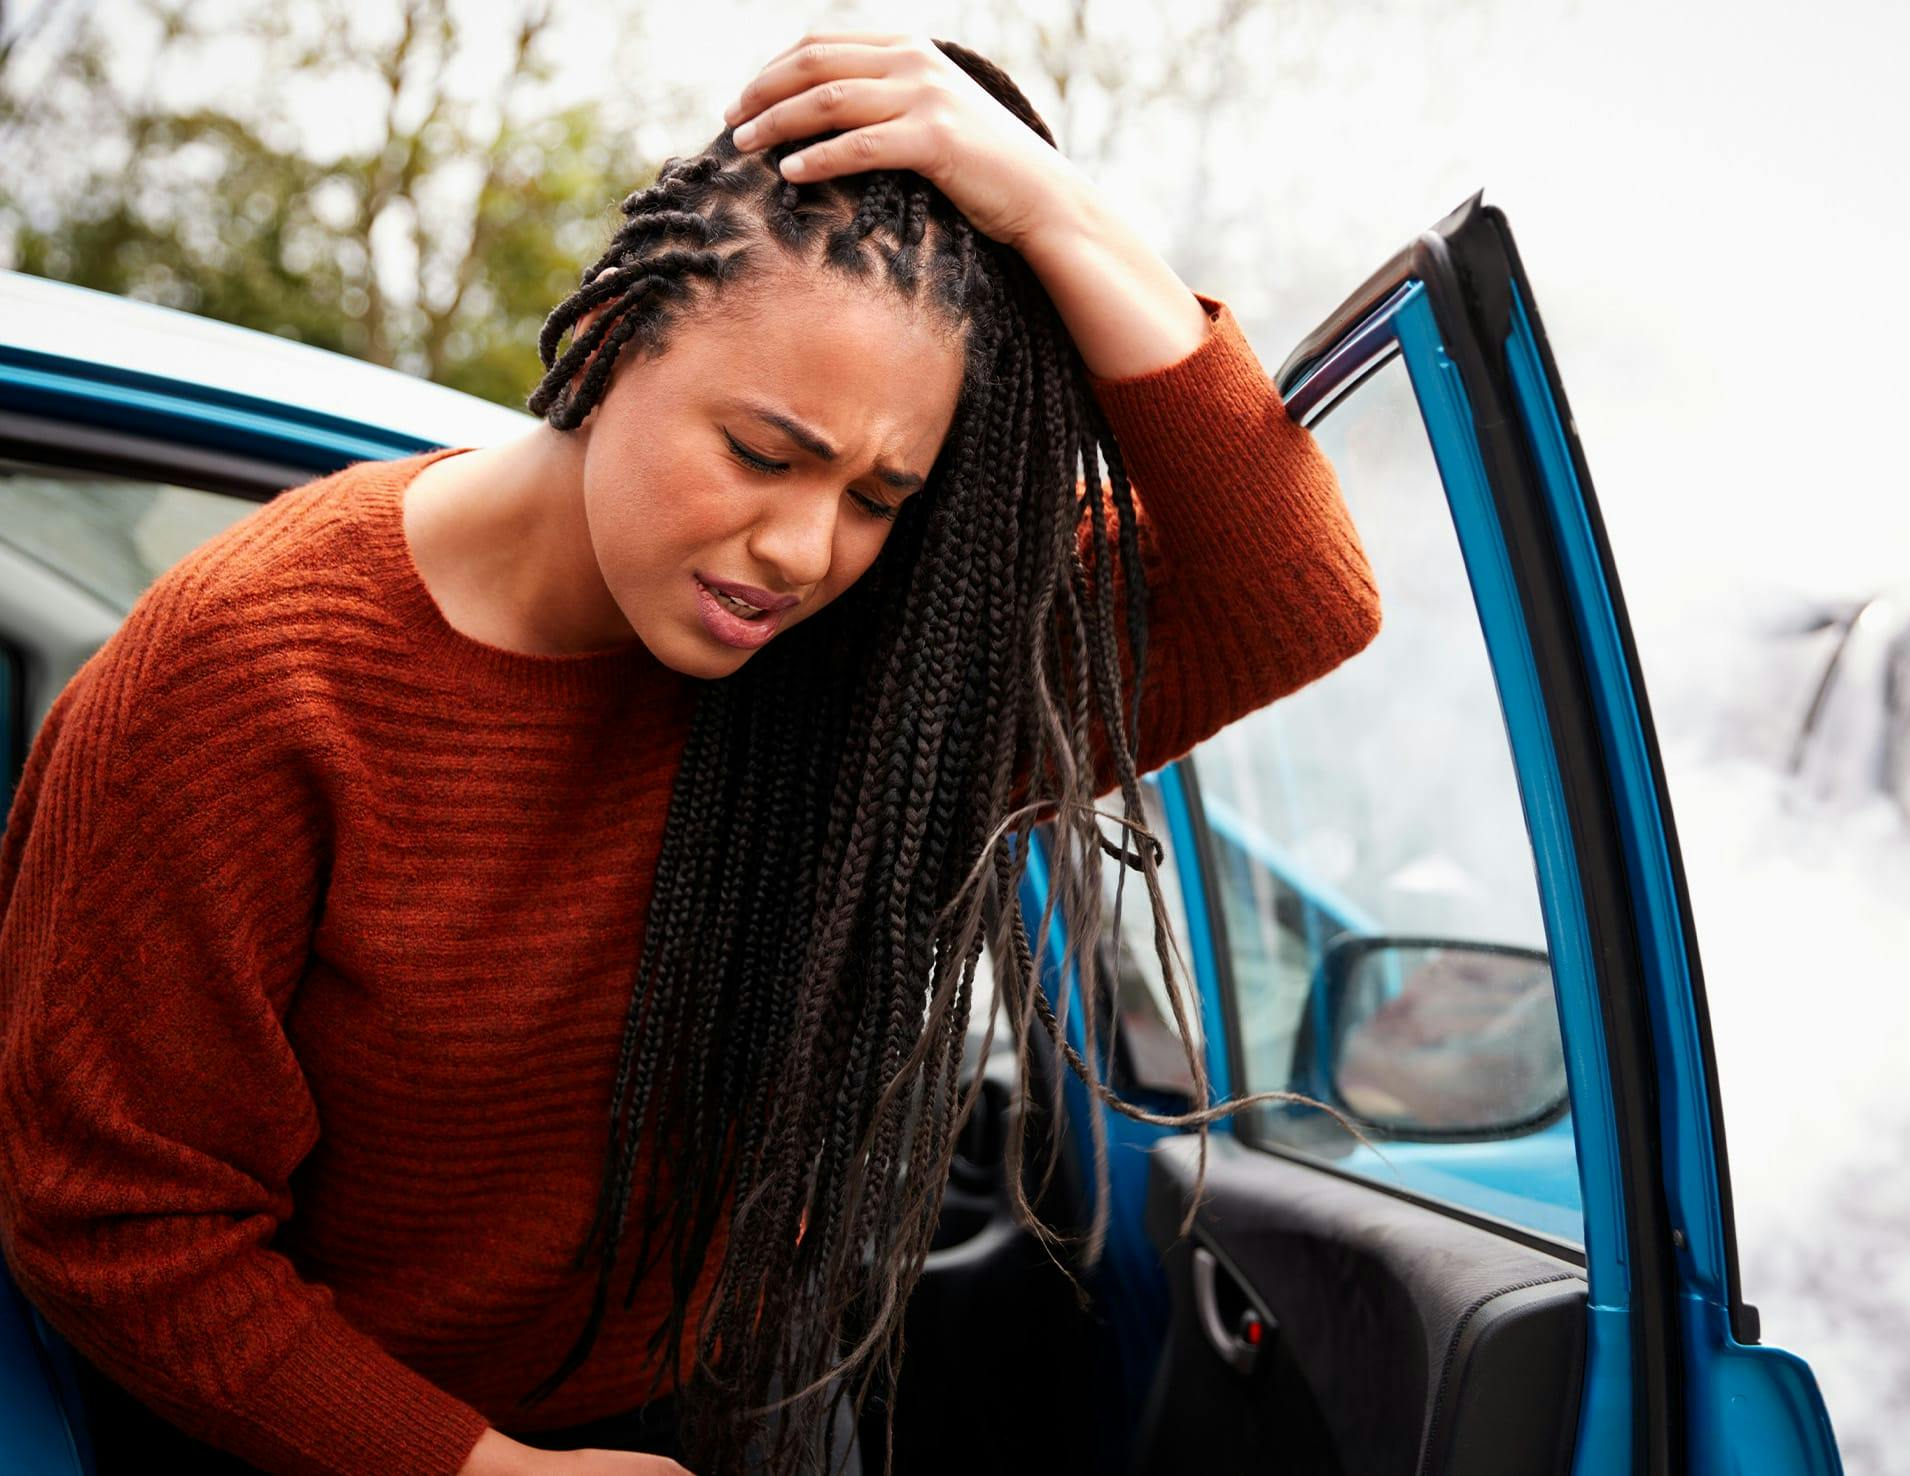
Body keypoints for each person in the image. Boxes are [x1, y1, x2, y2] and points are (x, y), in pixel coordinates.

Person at [0, 31, 1382, 1476]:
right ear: (608, 347)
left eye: (876, 496)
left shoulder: (860, 667)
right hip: (325, 1438)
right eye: (762, 452)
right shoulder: (247, 678)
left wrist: (1054, 209)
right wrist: (482, 1470)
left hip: (736, 1401)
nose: (802, 549)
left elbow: (1289, 593)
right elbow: (115, 1225)